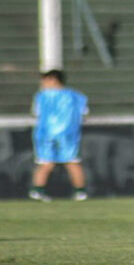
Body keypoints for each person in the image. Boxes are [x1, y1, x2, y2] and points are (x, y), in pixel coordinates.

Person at [29, 69, 89, 202]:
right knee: (72, 162)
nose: (42, 84)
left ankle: (37, 191)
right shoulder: (77, 96)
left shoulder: (41, 96)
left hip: (45, 134)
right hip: (68, 134)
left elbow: (36, 113)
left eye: (44, 81)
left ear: (53, 80)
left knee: (45, 162)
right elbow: (84, 114)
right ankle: (80, 192)